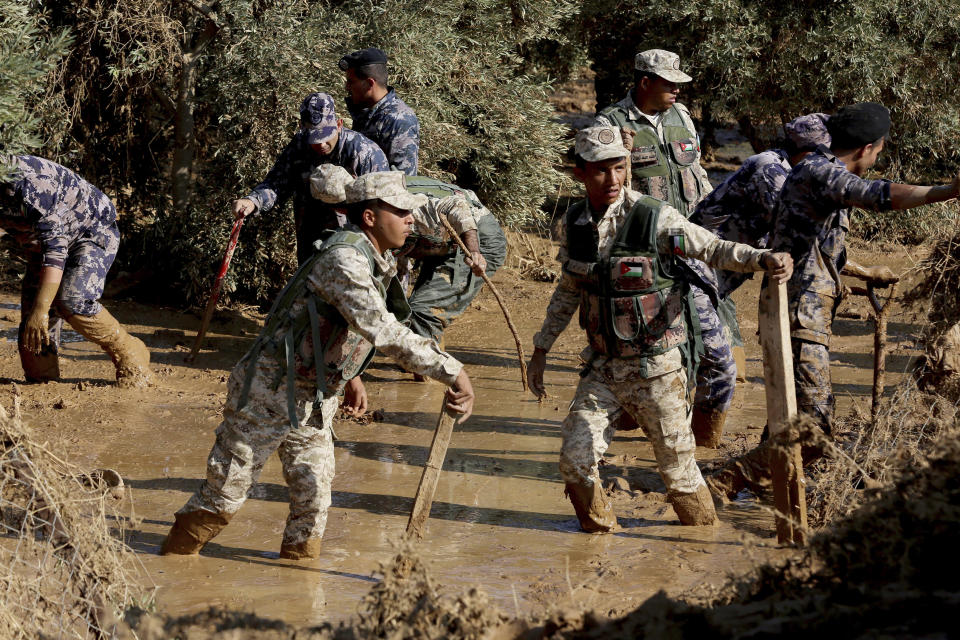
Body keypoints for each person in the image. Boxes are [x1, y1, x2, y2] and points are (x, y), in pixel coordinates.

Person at [161, 172, 476, 560]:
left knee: (313, 503)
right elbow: (381, 328)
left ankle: (301, 585)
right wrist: (450, 369)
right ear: (370, 217)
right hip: (268, 390)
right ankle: (171, 566)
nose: (410, 218)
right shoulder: (344, 259)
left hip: (314, 396)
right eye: (400, 210)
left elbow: (338, 324)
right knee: (225, 495)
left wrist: (352, 375)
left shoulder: (374, 257)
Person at [525, 126, 793, 531]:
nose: (613, 179)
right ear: (579, 173)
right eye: (600, 171)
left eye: (619, 167)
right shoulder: (576, 222)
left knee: (680, 473)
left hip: (658, 371)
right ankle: (599, 539)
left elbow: (713, 248)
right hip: (601, 371)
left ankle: (703, 542)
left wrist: (763, 258)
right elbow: (568, 290)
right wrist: (541, 348)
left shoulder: (654, 217)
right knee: (575, 463)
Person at [708, 102, 960, 498]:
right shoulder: (822, 171)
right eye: (878, 152)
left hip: (802, 311)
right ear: (866, 148)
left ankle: (767, 493)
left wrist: (861, 274)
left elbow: (818, 251)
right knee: (814, 428)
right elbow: (876, 195)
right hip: (799, 315)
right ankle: (722, 484)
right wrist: (948, 191)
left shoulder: (818, 174)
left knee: (785, 419)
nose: (875, 160)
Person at [682, 113, 832, 448]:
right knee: (719, 367)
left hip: (706, 282)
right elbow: (795, 236)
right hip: (689, 275)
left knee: (679, 361)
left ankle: (681, 440)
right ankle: (701, 452)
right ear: (810, 154)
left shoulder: (788, 172)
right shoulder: (771, 169)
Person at [310, 166, 505, 354]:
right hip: (438, 246)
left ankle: (437, 376)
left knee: (423, 311)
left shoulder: (390, 200)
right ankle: (427, 362)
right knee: (412, 311)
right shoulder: (367, 208)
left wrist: (474, 252)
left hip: (476, 238)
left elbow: (457, 205)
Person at [0, 155, 152, 387]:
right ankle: (43, 381)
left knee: (71, 299)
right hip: (38, 240)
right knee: (32, 321)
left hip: (90, 230)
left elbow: (55, 253)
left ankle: (131, 353)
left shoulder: (31, 187)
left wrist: (42, 310)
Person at [232, 92, 389, 264]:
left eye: (325, 136)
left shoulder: (364, 153)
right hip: (311, 246)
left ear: (338, 124)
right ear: (302, 128)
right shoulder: (299, 146)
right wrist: (253, 201)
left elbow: (384, 208)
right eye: (314, 138)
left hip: (354, 249)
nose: (321, 144)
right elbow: (277, 183)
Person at [594, 49, 712, 217]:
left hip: (690, 228)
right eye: (669, 84)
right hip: (646, 232)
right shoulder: (609, 123)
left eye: (676, 84)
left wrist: (711, 209)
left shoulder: (681, 116)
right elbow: (603, 188)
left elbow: (697, 170)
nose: (676, 90)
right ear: (645, 83)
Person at [339, 47, 420, 176]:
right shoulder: (366, 112)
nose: (347, 87)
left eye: (351, 82)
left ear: (370, 83)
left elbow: (403, 180)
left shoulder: (399, 119)